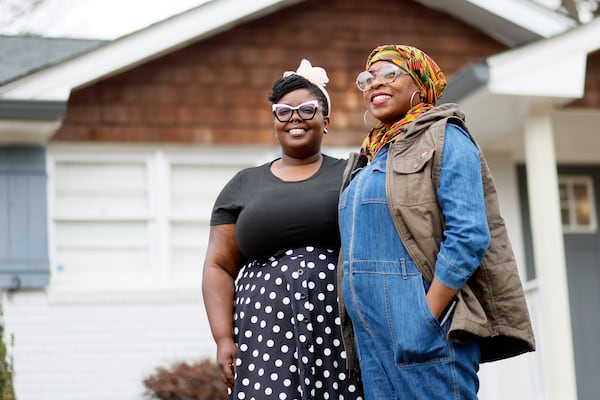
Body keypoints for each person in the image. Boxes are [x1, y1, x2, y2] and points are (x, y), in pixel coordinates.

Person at [337, 44, 535, 399]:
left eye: (389, 74)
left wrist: (423, 319)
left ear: (420, 82)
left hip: (426, 332)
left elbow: (469, 235)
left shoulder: (446, 136)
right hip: (373, 344)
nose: (374, 84)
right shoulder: (369, 156)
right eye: (367, 78)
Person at [202, 59, 364, 400]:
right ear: (274, 121)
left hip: (339, 326)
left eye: (307, 109)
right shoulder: (244, 184)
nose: (295, 118)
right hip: (263, 331)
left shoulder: (354, 174)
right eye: (284, 110)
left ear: (326, 120)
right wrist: (223, 338)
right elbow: (218, 266)